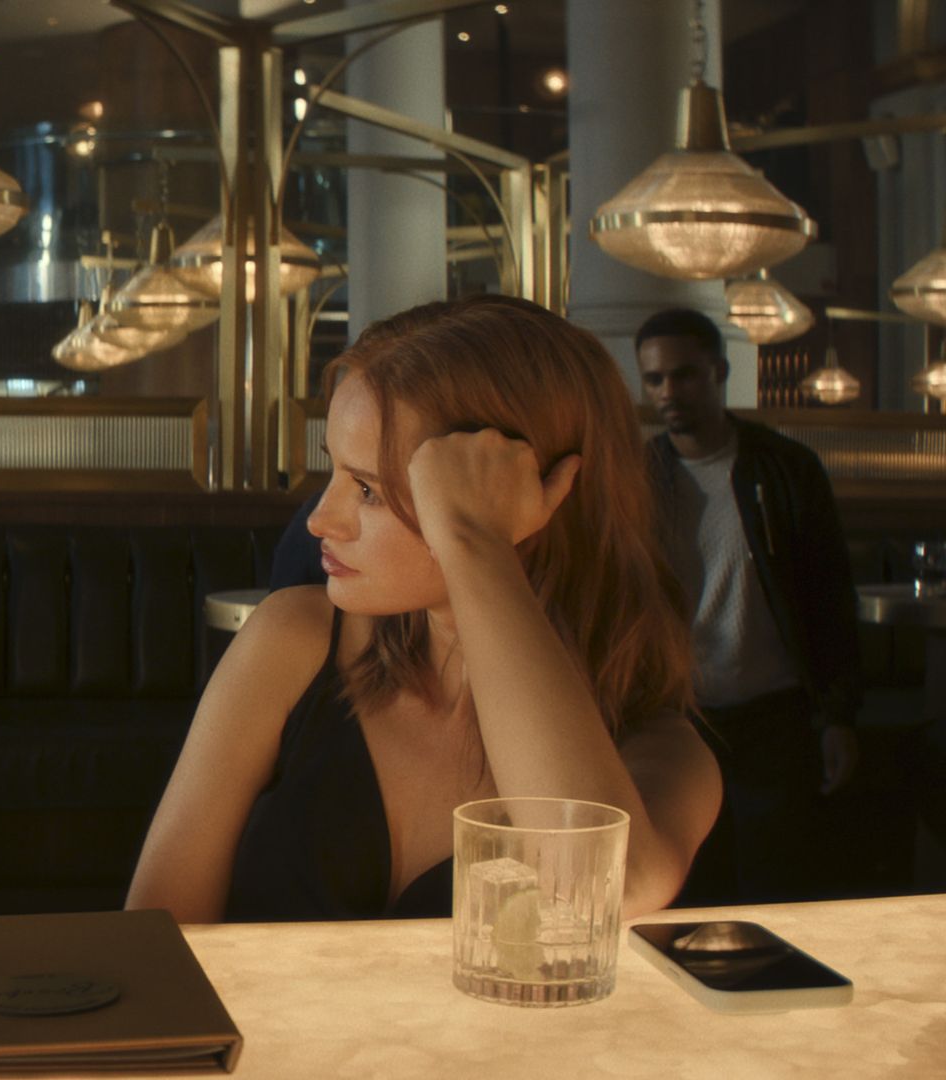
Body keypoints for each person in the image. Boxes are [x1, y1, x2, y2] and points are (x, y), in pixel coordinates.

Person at [128, 295, 722, 923]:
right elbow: (153, 935)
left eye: (368, 490)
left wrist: (476, 545)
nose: (321, 521)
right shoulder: (291, 641)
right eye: (335, 472)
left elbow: (605, 885)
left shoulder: (657, 749)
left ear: (509, 500)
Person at [634, 308, 863, 903]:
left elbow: (829, 595)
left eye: (684, 376)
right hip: (679, 715)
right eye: (655, 380)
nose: (669, 393)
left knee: (777, 888)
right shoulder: (640, 477)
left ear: (719, 372)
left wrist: (837, 715)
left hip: (773, 716)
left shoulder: (782, 468)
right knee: (684, 891)